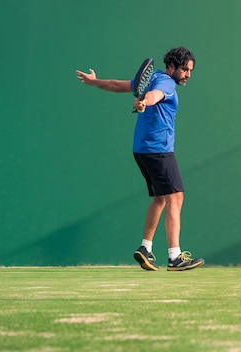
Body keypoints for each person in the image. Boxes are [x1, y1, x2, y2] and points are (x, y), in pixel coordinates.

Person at [76, 47, 204, 271]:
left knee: (160, 198)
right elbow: (155, 96)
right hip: (158, 150)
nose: (187, 74)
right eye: (184, 69)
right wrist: (146, 101)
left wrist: (95, 82)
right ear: (172, 66)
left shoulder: (151, 78)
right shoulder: (166, 83)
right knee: (176, 198)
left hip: (142, 150)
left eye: (190, 71)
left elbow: (117, 85)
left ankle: (145, 248)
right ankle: (175, 257)